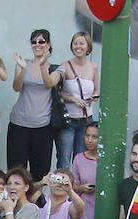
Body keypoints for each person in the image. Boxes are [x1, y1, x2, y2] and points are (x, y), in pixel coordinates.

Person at [8, 29, 62, 181]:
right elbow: (17, 87)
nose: (37, 45)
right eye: (34, 41)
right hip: (19, 123)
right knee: (16, 170)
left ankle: (37, 203)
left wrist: (43, 65)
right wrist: (24, 69)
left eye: (41, 41)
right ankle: (16, 203)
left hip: (42, 125)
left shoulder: (56, 68)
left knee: (40, 171)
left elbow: (49, 83)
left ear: (48, 44)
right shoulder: (23, 63)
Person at [56, 31, 99, 172]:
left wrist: (94, 97)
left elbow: (98, 90)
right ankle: (61, 189)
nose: (78, 46)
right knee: (64, 159)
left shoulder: (93, 67)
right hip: (68, 120)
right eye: (75, 43)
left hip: (86, 120)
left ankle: (77, 189)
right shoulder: (65, 66)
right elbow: (58, 92)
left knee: (81, 158)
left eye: (81, 43)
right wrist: (73, 99)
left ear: (88, 47)